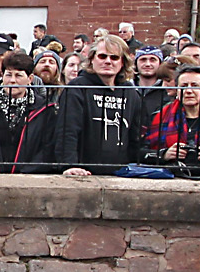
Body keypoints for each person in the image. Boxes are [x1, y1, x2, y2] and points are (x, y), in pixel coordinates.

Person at [58, 37, 146, 178]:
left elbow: (135, 136)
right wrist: (69, 165)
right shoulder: (77, 88)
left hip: (121, 172)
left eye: (114, 57)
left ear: (122, 62)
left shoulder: (131, 93)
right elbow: (67, 130)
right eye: (102, 56)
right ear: (92, 59)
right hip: (84, 172)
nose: (108, 61)